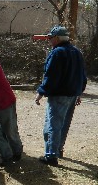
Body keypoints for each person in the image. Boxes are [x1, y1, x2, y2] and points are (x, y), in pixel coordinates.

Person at [33, 25, 87, 166]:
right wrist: (79, 92)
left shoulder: (57, 53)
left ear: (57, 38)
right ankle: (58, 149)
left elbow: (50, 76)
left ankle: (51, 156)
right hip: (72, 95)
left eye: (51, 38)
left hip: (59, 96)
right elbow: (82, 75)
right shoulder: (77, 52)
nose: (49, 40)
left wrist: (40, 93)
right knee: (64, 124)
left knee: (53, 125)